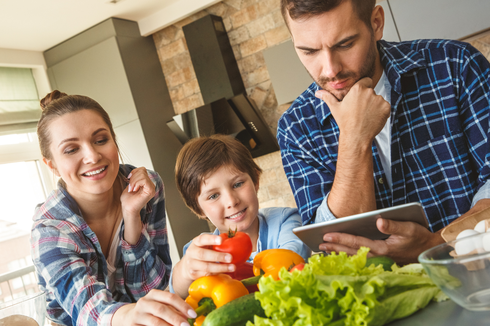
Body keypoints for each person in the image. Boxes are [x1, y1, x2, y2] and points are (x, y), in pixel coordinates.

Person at [277, 0, 490, 264]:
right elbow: (333, 245)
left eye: (344, 44)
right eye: (309, 51)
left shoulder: (456, 66)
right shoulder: (295, 127)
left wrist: (438, 243)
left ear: (376, 23)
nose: (330, 69)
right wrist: (355, 138)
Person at [30, 91, 196, 326]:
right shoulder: (50, 230)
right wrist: (131, 313)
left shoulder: (146, 187)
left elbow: (155, 287)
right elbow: (87, 311)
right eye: (71, 149)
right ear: (52, 165)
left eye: (100, 140)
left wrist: (132, 219)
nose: (92, 156)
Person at [170, 134, 311, 298]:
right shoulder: (201, 250)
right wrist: (183, 273)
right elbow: (178, 294)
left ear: (256, 180)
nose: (231, 201)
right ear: (198, 209)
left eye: (237, 184)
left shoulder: (286, 221)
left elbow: (292, 264)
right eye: (213, 196)